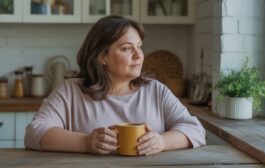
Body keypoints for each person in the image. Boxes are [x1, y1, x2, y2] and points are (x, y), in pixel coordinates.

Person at [25, 15, 206, 155]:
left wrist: (162, 142)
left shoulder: (156, 90)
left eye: (139, 46)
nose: (139, 55)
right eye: (127, 48)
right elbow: (34, 133)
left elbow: (195, 130)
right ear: (102, 57)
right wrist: (85, 143)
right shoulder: (71, 91)